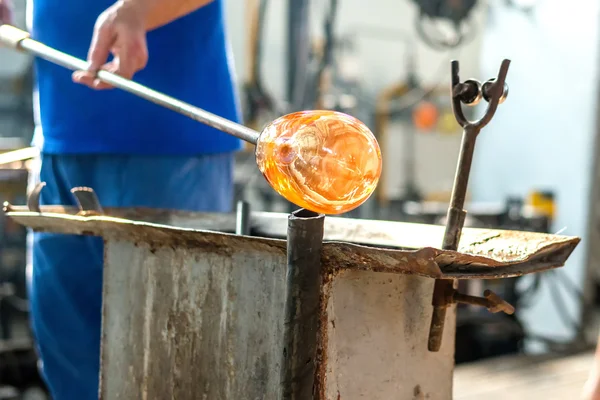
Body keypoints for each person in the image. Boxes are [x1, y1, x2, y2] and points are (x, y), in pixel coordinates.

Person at [0, 0, 242, 398]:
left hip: (169, 136)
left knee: (175, 353)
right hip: (62, 133)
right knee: (70, 353)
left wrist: (140, 8)